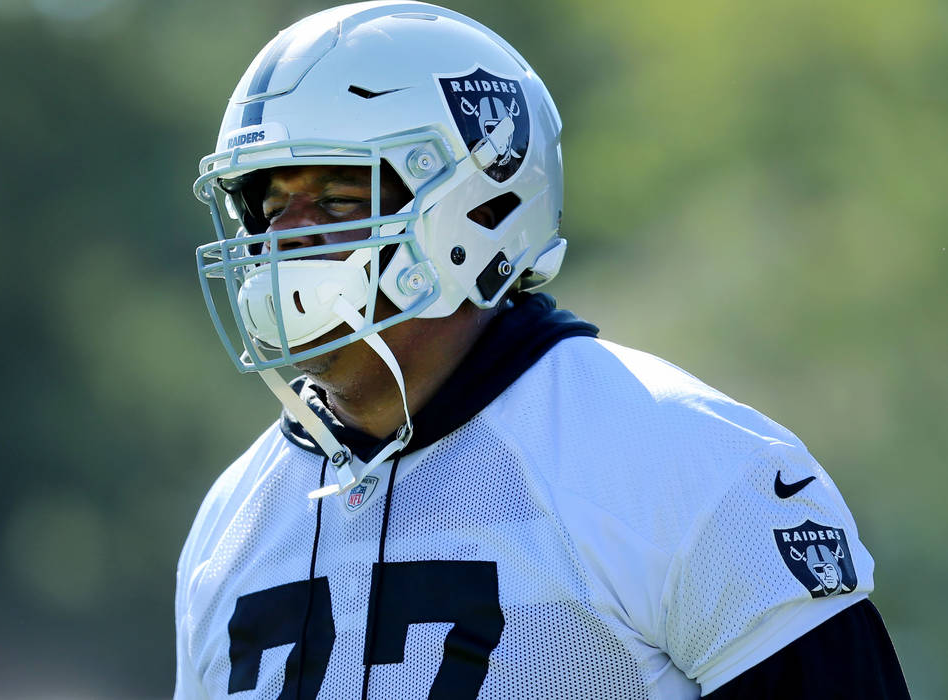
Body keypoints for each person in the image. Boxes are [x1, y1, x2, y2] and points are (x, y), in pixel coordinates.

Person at [175, 2, 909, 698]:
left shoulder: (685, 463)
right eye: (270, 208)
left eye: (338, 199)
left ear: (484, 205)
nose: (281, 243)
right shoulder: (233, 521)